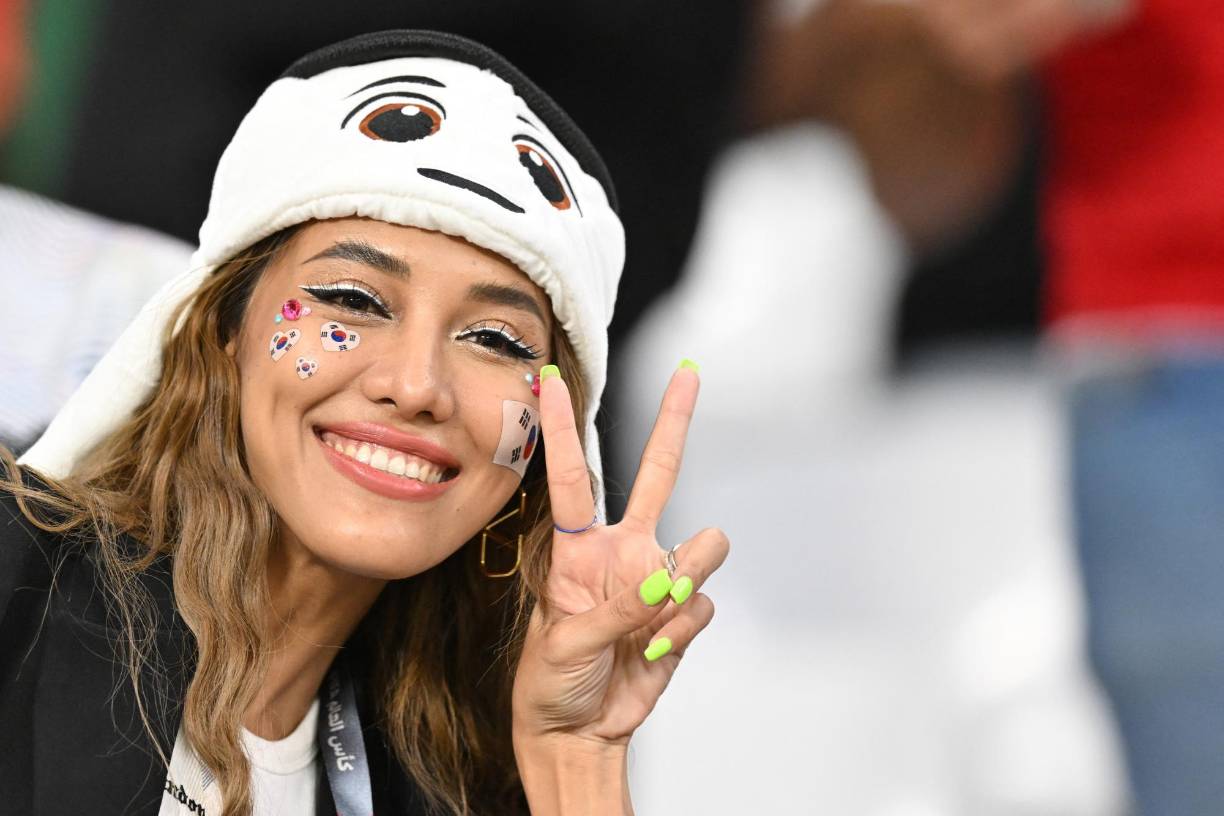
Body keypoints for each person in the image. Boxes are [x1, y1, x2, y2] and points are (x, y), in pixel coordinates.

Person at [0, 30, 728, 816]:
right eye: (351, 299)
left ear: (550, 437)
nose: (416, 387)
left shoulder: (459, 776)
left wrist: (576, 763)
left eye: (494, 340)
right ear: (219, 330)